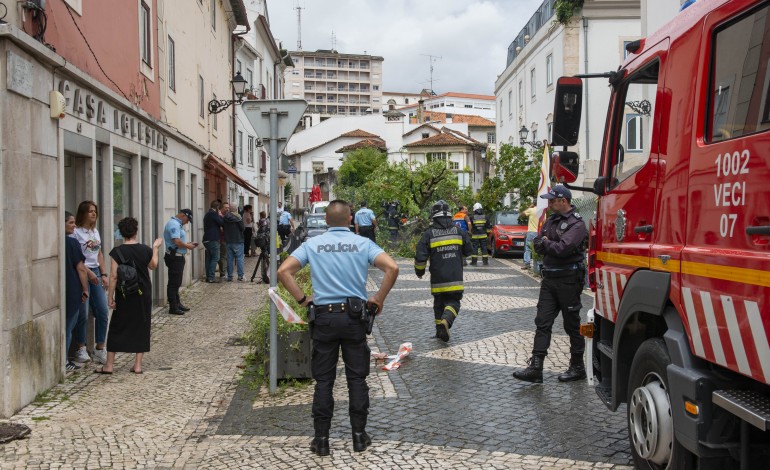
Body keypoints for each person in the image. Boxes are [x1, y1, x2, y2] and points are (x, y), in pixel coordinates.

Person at [277, 200, 399, 457]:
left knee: (324, 381)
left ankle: (321, 440)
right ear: (350, 219)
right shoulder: (363, 243)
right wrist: (378, 298)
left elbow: (284, 271)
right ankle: (358, 436)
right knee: (357, 379)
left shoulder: (313, 244)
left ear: (326, 221)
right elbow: (392, 267)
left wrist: (302, 299)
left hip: (324, 319)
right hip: (355, 319)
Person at [512, 185, 588, 384]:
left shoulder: (577, 224)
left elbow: (563, 248)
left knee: (572, 325)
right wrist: (547, 242)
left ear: (563, 200)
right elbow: (537, 243)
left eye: (552, 200)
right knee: (542, 323)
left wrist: (547, 243)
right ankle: (536, 368)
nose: (550, 203)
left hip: (569, 280)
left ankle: (577, 366)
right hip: (549, 280)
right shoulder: (551, 220)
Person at [94, 217, 162, 374]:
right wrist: (156, 248)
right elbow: (153, 265)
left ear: (121, 232)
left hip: (124, 295)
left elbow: (113, 276)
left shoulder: (117, 252)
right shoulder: (145, 249)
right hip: (143, 293)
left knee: (117, 326)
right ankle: (137, 366)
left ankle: (109, 365)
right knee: (142, 326)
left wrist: (110, 297)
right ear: (136, 232)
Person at [415, 200, 473, 342]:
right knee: (453, 303)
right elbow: (469, 251)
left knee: (438, 305)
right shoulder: (459, 232)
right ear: (449, 216)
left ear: (433, 216)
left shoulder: (429, 234)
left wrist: (420, 272)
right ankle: (445, 322)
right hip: (455, 278)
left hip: (437, 280)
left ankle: (439, 332)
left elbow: (420, 256)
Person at [72, 200, 111, 364]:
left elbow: (99, 253)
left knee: (102, 311)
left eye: (95, 211)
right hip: (81, 272)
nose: (93, 213)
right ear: (83, 213)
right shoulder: (76, 232)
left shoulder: (95, 232)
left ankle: (100, 347)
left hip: (95, 272)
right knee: (83, 312)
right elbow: (76, 257)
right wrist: (88, 273)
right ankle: (81, 347)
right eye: (90, 211)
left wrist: (103, 273)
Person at [64, 211, 93, 371]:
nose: (74, 226)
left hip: (61, 289)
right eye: (71, 223)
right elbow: (81, 268)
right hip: (73, 288)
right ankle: (64, 361)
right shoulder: (72, 244)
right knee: (68, 326)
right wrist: (85, 289)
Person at [163, 209, 197, 315]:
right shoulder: (174, 224)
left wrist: (188, 243)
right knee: (174, 282)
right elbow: (176, 241)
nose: (187, 222)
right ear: (183, 215)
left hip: (178, 256)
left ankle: (177, 304)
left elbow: (178, 240)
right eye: (187, 220)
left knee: (176, 282)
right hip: (175, 257)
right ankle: (173, 307)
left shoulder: (177, 224)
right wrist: (188, 246)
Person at [223, 203, 245, 281]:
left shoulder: (225, 217)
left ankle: (230, 276)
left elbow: (223, 226)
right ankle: (240, 276)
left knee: (229, 259)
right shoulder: (238, 218)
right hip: (238, 240)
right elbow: (243, 228)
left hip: (228, 240)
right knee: (239, 258)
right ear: (236, 209)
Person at [202, 201, 224, 283]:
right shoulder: (214, 214)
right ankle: (211, 277)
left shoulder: (207, 214)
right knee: (215, 257)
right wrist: (220, 215)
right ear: (217, 207)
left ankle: (208, 276)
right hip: (213, 239)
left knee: (209, 258)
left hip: (206, 239)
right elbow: (222, 222)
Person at [522, 202, 539, 270]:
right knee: (537, 249)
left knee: (528, 249)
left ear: (534, 204)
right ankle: (536, 267)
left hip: (531, 232)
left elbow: (522, 214)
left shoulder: (531, 210)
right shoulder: (543, 212)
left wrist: (530, 206)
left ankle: (527, 264)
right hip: (539, 232)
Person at [218, 200, 228, 279]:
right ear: (221, 208)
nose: (227, 209)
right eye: (226, 208)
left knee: (223, 256)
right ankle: (223, 273)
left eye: (228, 208)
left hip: (224, 238)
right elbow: (221, 229)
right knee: (223, 256)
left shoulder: (225, 216)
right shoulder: (220, 216)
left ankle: (223, 272)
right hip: (221, 239)